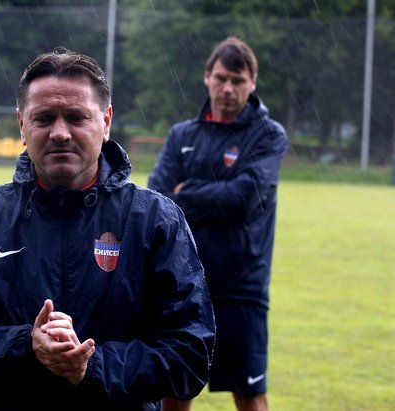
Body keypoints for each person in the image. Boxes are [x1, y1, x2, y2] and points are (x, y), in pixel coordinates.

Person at [0, 47, 215, 411]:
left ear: (106, 122)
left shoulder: (155, 221)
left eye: (75, 117)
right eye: (43, 118)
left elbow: (190, 355)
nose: (60, 133)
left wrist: (93, 366)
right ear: (22, 125)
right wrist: (24, 344)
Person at [148, 37, 288, 411]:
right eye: (222, 78)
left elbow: (245, 197)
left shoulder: (268, 135)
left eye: (238, 81)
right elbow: (160, 199)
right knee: (175, 386)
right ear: (207, 76)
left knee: (249, 392)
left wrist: (188, 191)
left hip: (241, 286)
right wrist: (213, 197)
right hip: (183, 282)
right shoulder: (182, 135)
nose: (228, 88)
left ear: (252, 83)